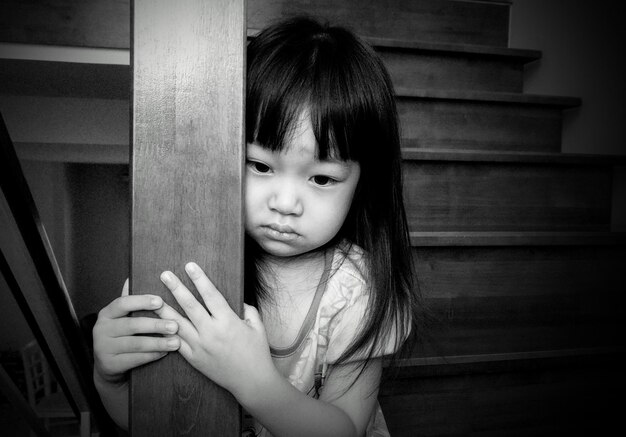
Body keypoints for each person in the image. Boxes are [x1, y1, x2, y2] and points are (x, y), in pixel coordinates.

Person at [92, 17, 421, 436]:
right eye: (261, 166)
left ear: (362, 184)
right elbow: (163, 419)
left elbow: (346, 429)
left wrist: (254, 383)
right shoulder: (188, 265)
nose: (285, 204)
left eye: (321, 178)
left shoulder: (356, 290)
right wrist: (110, 379)